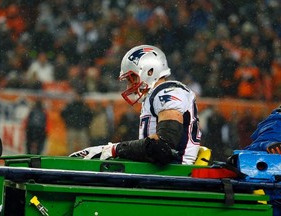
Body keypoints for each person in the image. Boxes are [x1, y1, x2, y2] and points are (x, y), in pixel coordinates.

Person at [70, 45, 201, 165]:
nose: (129, 86)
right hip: (163, 174)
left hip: (175, 177)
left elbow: (162, 148)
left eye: (133, 78)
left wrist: (115, 150)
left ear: (150, 72)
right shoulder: (156, 94)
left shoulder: (168, 93)